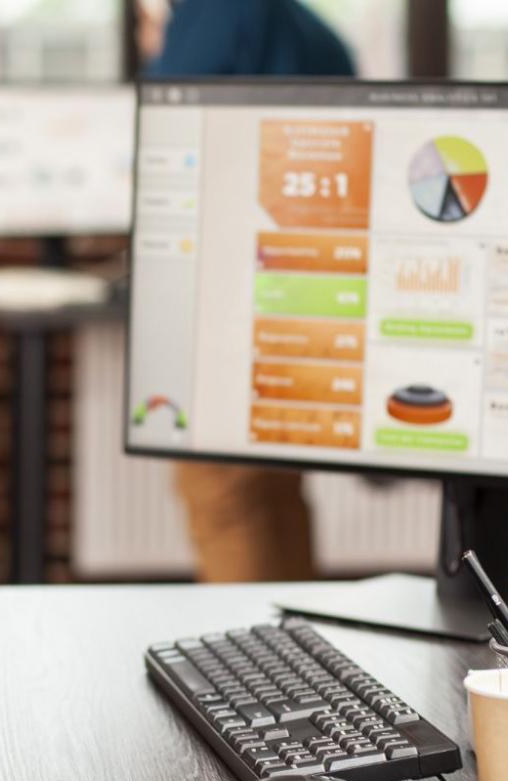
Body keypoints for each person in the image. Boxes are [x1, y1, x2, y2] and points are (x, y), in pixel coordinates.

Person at [141, 0, 358, 582]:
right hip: (302, 289)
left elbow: (172, 134)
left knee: (226, 498)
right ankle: (288, 653)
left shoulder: (213, 13)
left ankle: (256, 661)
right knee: (273, 495)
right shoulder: (316, 35)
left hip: (231, 295)